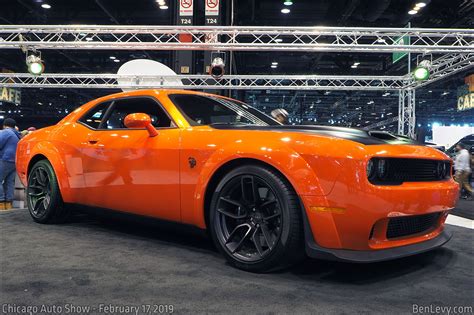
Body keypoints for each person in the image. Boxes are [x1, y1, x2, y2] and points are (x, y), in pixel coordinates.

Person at [0, 118, 22, 210]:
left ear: (4, 125)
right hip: (15, 161)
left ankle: (1, 203)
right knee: (9, 182)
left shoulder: (6, 132)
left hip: (5, 159)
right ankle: (8, 205)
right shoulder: (18, 134)